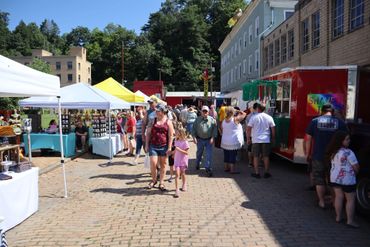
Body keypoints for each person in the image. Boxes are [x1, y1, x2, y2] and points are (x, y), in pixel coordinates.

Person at [304, 103, 348, 209]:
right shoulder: (340, 123)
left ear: (321, 111)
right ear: (332, 111)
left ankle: (322, 202)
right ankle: (334, 201)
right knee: (332, 180)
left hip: (318, 155)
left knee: (319, 179)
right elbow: (346, 139)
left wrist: (307, 154)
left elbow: (308, 139)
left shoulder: (315, 122)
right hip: (334, 157)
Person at [326, 131, 360, 228]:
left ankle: (338, 217)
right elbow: (356, 167)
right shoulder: (349, 152)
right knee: (350, 200)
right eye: (347, 139)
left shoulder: (333, 151)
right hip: (347, 180)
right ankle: (350, 221)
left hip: (335, 178)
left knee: (338, 197)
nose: (349, 141)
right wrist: (356, 173)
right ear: (341, 141)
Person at [145, 103, 174, 191]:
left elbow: (171, 135)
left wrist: (169, 147)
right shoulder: (152, 120)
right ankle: (154, 180)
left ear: (162, 112)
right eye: (156, 111)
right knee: (153, 163)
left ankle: (161, 182)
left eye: (158, 111)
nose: (156, 112)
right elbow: (148, 133)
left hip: (164, 146)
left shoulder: (168, 121)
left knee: (163, 165)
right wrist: (146, 145)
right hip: (153, 145)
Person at [246, 102, 276, 179]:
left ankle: (257, 173)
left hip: (256, 139)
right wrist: (273, 138)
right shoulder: (269, 117)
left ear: (258, 109)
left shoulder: (253, 117)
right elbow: (273, 129)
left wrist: (248, 138)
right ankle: (266, 172)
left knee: (255, 156)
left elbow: (248, 129)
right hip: (266, 139)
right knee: (266, 156)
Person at [192, 105, 218, 177]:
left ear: (208, 112)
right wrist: (194, 137)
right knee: (199, 153)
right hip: (200, 139)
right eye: (203, 111)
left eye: (206, 111)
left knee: (208, 154)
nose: (204, 113)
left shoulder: (212, 120)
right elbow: (193, 129)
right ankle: (197, 163)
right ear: (201, 112)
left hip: (208, 140)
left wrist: (213, 137)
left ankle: (208, 168)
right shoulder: (197, 120)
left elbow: (214, 129)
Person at [220, 106, 246, 174]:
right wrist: (238, 111)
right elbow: (244, 114)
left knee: (226, 155)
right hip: (233, 141)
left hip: (225, 140)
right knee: (232, 155)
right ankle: (232, 170)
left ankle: (226, 168)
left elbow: (222, 130)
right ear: (233, 112)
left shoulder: (223, 121)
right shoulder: (235, 119)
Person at [173, 126, 190, 198]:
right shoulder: (175, 141)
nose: (175, 133)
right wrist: (171, 154)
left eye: (176, 132)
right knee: (177, 174)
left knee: (182, 173)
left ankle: (184, 184)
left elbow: (186, 153)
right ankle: (177, 190)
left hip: (183, 160)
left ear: (180, 133)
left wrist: (178, 149)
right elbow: (175, 150)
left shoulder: (185, 142)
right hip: (177, 160)